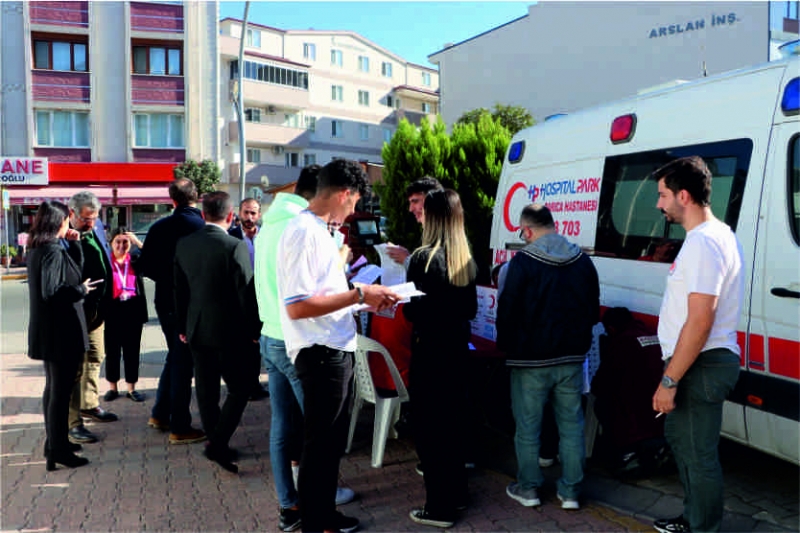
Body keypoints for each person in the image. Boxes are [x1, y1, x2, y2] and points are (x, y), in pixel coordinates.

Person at [277, 159, 400, 533]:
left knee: (328, 444)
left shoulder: (315, 230)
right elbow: (298, 306)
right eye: (354, 202)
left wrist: (364, 298)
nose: (352, 212)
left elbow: (326, 295)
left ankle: (324, 515)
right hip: (320, 351)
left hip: (332, 345)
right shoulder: (303, 232)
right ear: (345, 194)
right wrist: (360, 293)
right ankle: (316, 521)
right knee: (320, 444)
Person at [256, 164, 355, 531]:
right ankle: (315, 506)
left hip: (272, 331)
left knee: (284, 427)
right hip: (302, 338)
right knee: (320, 437)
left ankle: (290, 503)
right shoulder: (301, 227)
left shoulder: (271, 224)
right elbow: (306, 296)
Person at [651, 156, 744, 533]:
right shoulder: (711, 236)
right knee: (685, 443)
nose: (659, 204)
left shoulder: (704, 242)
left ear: (684, 196)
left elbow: (701, 319)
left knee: (697, 452)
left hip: (699, 364)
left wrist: (669, 381)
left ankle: (701, 527)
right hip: (699, 362)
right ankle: (692, 521)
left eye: (662, 195)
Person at [497, 203, 600, 511]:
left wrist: (507, 347)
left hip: (529, 361)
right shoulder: (583, 261)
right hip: (571, 358)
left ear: (527, 230)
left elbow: (507, 311)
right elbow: (593, 310)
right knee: (571, 424)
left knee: (528, 427)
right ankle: (570, 491)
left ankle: (528, 488)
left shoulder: (522, 263)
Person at [402, 189, 478, 528]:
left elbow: (415, 313)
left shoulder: (422, 258)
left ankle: (439, 506)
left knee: (430, 431)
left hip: (430, 354)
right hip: (457, 353)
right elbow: (470, 309)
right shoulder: (465, 258)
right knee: (453, 426)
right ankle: (457, 494)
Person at [174, 191, 262, 474]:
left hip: (197, 328)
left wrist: (183, 327)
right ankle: (217, 442)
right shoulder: (234, 245)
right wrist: (254, 329)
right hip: (230, 331)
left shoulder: (185, 244)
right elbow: (246, 293)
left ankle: (217, 441)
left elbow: (180, 291)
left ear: (202, 215)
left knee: (206, 390)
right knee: (240, 388)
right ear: (230, 216)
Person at [138, 178, 206, 445]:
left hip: (165, 301)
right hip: (192, 304)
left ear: (173, 200)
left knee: (175, 356)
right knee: (183, 362)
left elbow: (145, 266)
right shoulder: (202, 228)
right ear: (196, 197)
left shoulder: (158, 227)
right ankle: (179, 424)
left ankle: (160, 413)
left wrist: (168, 278)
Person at [27, 201, 93, 470]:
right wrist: (80, 291)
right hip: (60, 332)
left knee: (54, 389)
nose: (70, 222)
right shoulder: (51, 250)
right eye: (68, 219)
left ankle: (55, 442)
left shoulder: (39, 248)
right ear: (60, 221)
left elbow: (72, 272)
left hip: (49, 331)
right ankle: (57, 448)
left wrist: (75, 245)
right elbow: (52, 291)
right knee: (60, 392)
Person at [67, 191, 117, 445]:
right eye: (86, 218)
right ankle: (73, 422)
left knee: (96, 355)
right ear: (72, 213)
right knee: (74, 367)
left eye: (94, 218)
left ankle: (89, 403)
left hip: (98, 308)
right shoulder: (64, 237)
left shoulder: (95, 228)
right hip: (77, 310)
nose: (91, 223)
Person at [228, 197, 270, 402]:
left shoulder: (267, 237)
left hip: (263, 296)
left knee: (256, 344)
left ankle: (254, 384)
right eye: (246, 212)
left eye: (253, 213)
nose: (249, 217)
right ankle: (240, 385)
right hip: (239, 298)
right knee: (240, 345)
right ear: (239, 212)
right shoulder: (231, 237)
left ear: (259, 215)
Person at [102, 228, 148, 403]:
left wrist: (137, 242)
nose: (121, 246)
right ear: (111, 243)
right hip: (113, 310)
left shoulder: (135, 261)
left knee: (132, 351)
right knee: (112, 351)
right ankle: (113, 387)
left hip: (133, 310)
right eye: (118, 242)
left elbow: (153, 258)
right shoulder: (106, 262)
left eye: (125, 242)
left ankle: (131, 388)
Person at [384, 176, 443, 267]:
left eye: (415, 201)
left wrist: (407, 259)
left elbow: (434, 272)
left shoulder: (444, 235)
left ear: (432, 201)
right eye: (410, 203)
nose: (410, 209)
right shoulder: (428, 234)